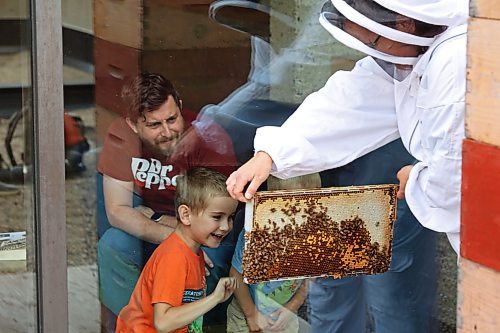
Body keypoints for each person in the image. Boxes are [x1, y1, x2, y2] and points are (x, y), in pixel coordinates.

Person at [225, 0, 468, 331]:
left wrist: (416, 181)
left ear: (405, 24)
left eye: (373, 41)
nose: (374, 52)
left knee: (392, 301)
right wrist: (270, 154)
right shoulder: (411, 52)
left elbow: (455, 180)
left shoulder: (454, 63)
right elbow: (350, 99)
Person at [96, 72, 238, 330]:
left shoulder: (208, 139)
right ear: (132, 124)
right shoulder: (121, 134)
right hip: (173, 230)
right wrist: (175, 238)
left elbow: (217, 218)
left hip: (202, 233)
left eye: (172, 119)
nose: (168, 132)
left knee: (209, 262)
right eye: (153, 125)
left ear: (180, 106)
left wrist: (155, 218)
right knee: (112, 246)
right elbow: (117, 210)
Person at [116, 167, 239, 333]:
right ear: (186, 215)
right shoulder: (174, 257)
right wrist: (215, 298)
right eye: (217, 217)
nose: (225, 227)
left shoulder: (194, 252)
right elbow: (163, 322)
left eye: (230, 218)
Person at [227, 174, 320, 333]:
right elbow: (236, 275)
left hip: (284, 314)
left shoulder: (316, 236)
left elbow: (312, 277)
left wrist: (291, 308)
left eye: (312, 203)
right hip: (246, 310)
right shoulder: (256, 233)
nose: (303, 213)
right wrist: (251, 315)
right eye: (294, 206)